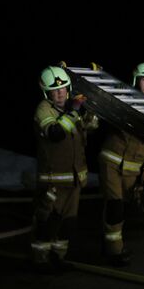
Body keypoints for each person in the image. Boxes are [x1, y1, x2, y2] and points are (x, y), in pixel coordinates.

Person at [31, 65, 98, 271]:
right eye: (54, 90)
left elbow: (89, 128)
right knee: (48, 221)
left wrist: (90, 113)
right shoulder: (44, 110)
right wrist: (74, 112)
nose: (60, 93)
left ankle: (58, 257)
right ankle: (41, 260)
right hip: (53, 180)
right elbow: (55, 133)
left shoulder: (71, 108)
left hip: (74, 179)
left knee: (69, 222)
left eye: (62, 89)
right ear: (47, 93)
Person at [98, 62, 144, 266]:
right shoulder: (125, 98)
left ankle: (110, 244)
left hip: (133, 168)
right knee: (115, 206)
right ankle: (113, 252)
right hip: (112, 161)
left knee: (123, 208)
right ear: (136, 80)